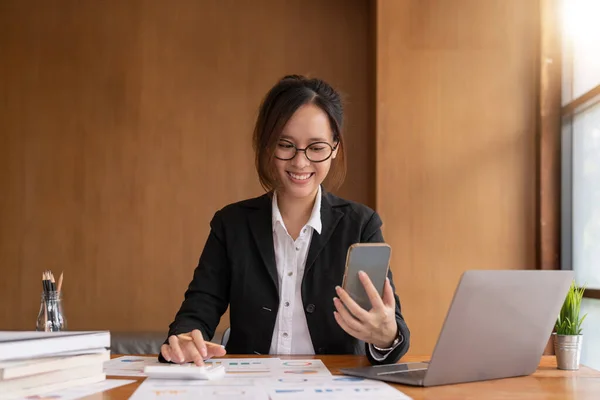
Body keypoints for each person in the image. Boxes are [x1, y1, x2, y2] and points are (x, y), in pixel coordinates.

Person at [159, 75, 410, 366]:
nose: (300, 162)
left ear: (335, 148)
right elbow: (198, 310)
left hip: (335, 387)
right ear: (268, 146)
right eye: (286, 145)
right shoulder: (231, 224)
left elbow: (391, 330)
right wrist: (185, 340)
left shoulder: (361, 224)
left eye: (316, 148)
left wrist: (386, 335)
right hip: (249, 386)